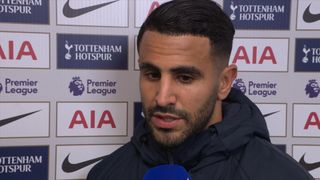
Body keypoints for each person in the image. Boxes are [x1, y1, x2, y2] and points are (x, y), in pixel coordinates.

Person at [87, 0, 314, 179]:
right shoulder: (106, 173)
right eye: (152, 74)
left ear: (224, 82)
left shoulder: (280, 175)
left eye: (184, 78)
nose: (163, 97)